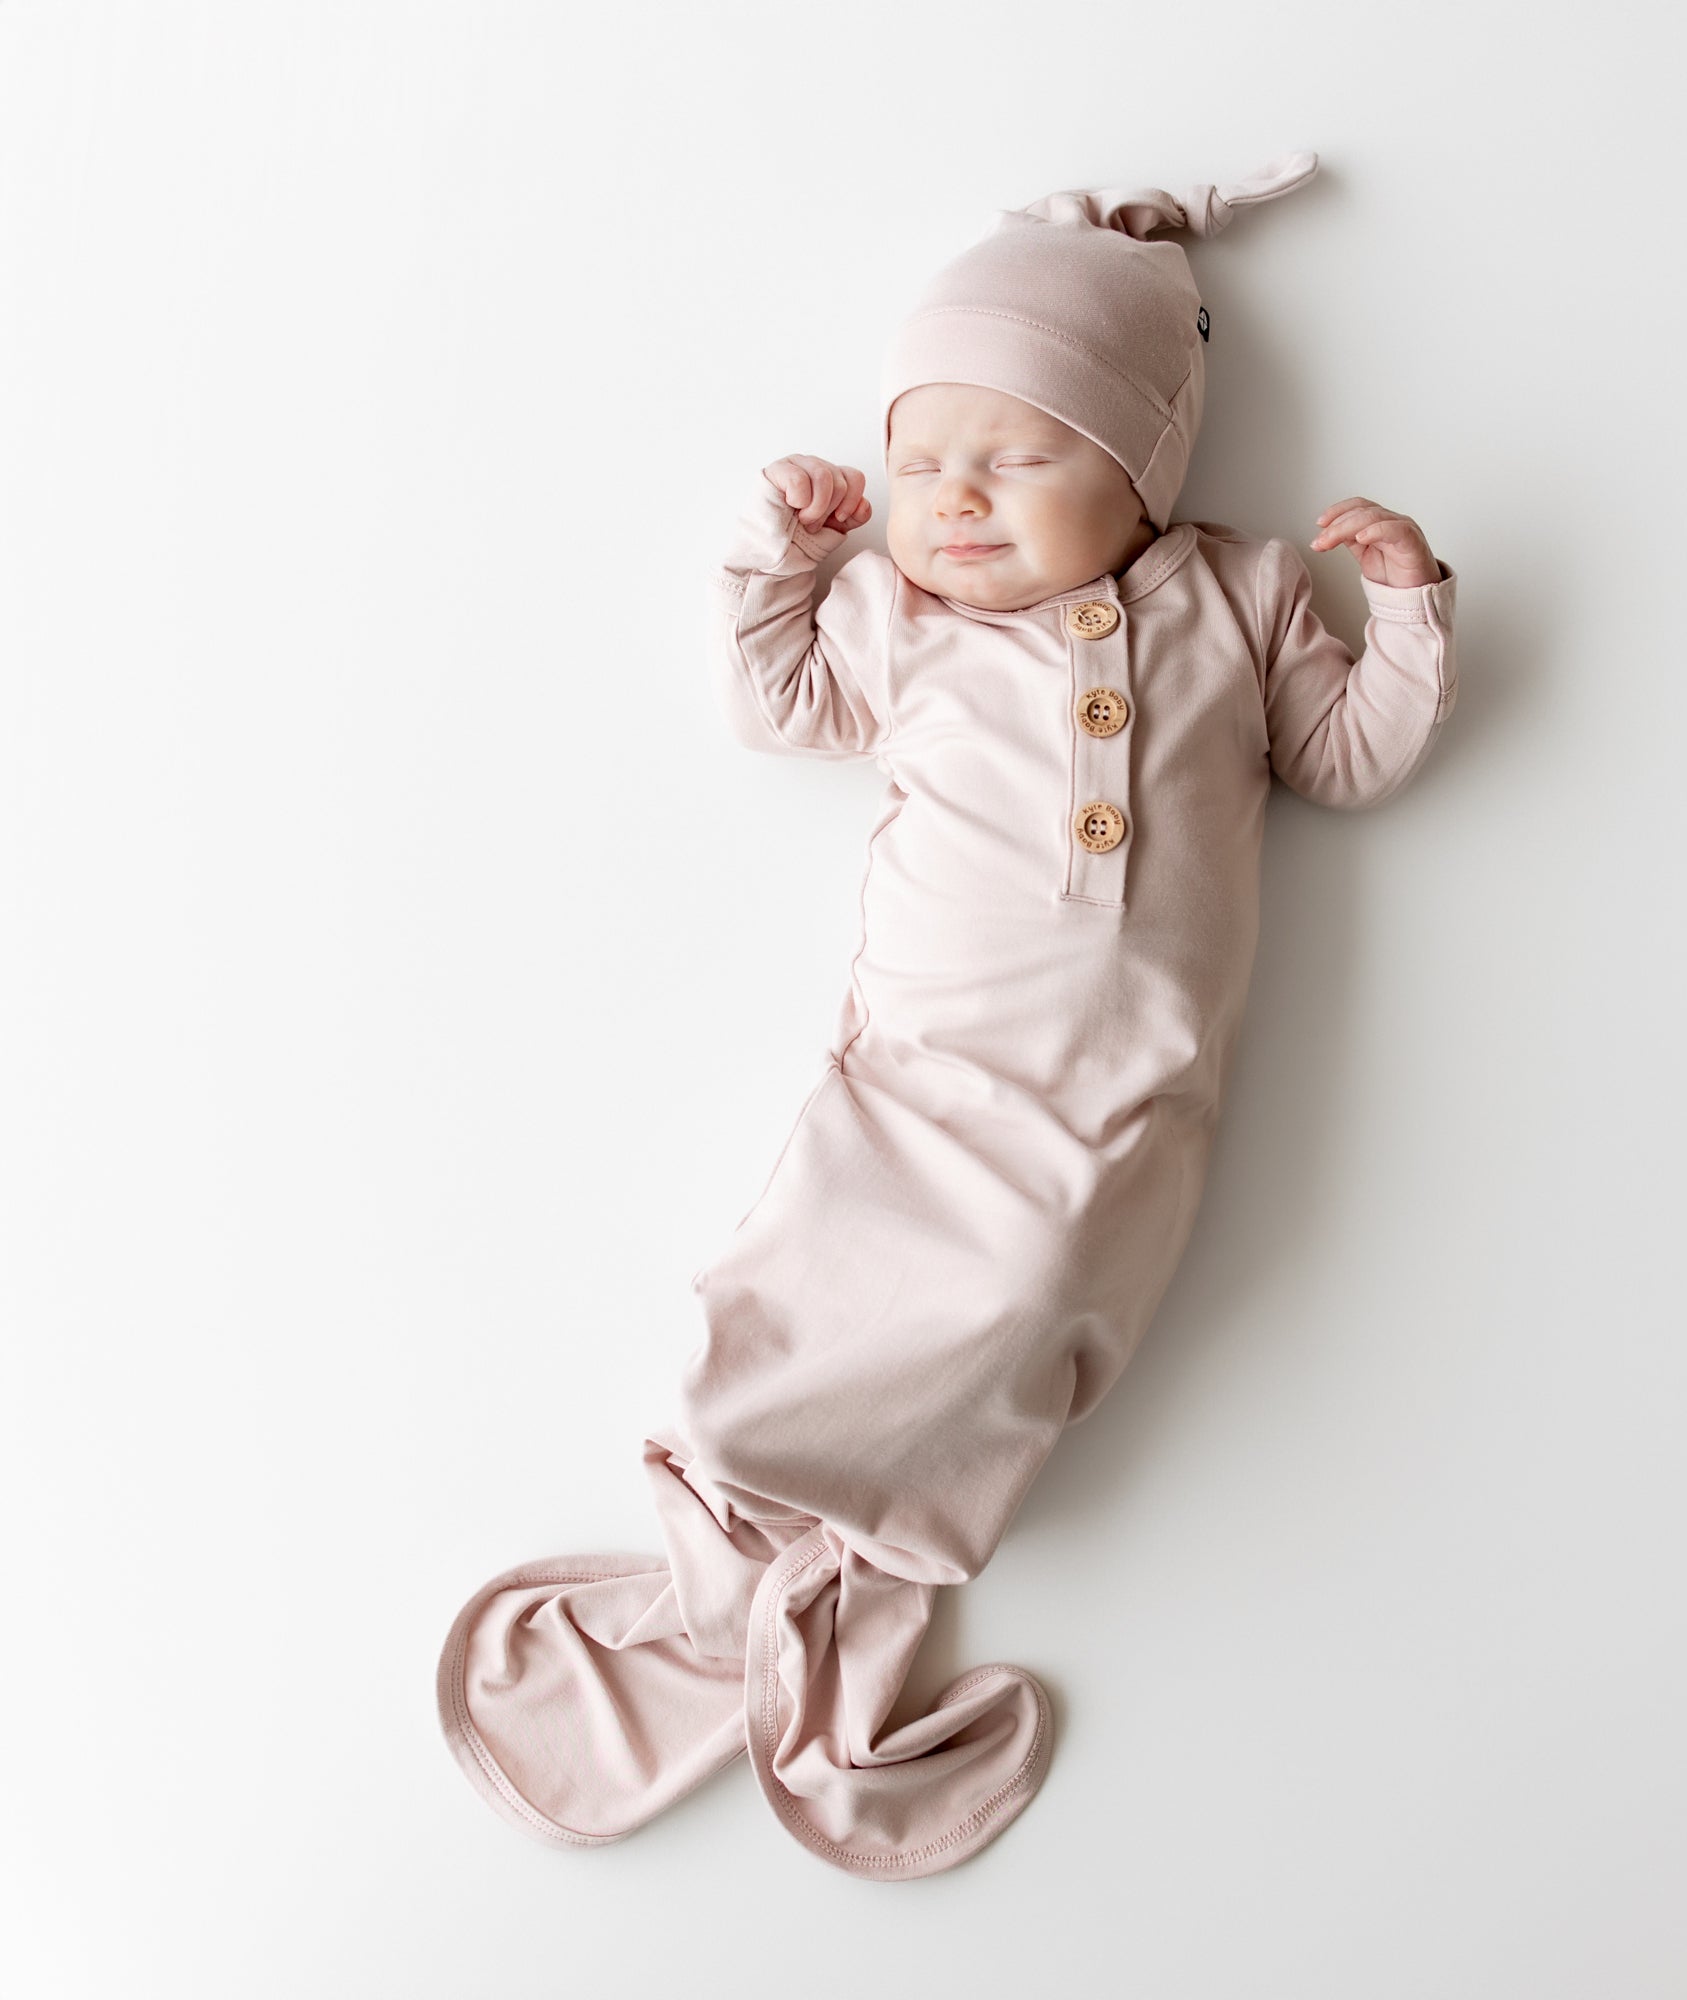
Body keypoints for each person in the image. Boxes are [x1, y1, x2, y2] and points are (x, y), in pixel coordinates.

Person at [436, 149, 1459, 1880]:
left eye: (1016, 455)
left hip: (1125, 1124)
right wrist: (781, 552)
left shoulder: (1239, 600)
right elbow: (774, 697)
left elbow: (1352, 756)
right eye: (920, 464)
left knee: (1037, 1313)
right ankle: (733, 1531)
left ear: (1141, 465)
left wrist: (1411, 615)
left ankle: (848, 1598)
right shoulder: (903, 623)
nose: (954, 500)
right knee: (826, 1268)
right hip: (919, 1080)